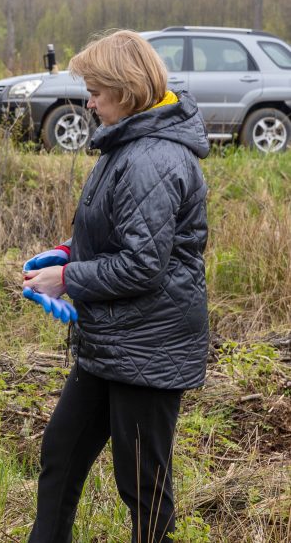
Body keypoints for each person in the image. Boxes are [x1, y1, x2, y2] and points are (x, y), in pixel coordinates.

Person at [22, 30, 209, 542]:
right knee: (60, 455)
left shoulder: (152, 157)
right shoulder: (126, 145)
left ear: (125, 91)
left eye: (96, 91)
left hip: (150, 346)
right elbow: (121, 233)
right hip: (111, 340)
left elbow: (142, 265)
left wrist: (67, 278)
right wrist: (68, 252)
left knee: (143, 489)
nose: (88, 100)